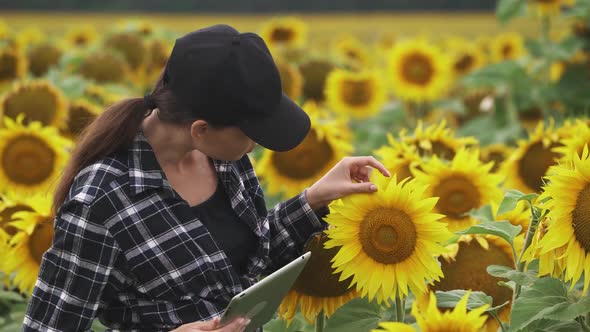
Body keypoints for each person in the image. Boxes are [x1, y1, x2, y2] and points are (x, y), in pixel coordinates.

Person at [22, 24, 390, 332]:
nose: (255, 147)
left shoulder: (225, 162)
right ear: (199, 130)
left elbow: (245, 270)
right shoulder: (102, 199)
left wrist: (313, 199)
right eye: (251, 134)